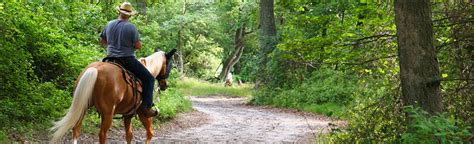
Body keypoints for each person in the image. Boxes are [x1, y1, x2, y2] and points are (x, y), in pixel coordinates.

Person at [100, 2, 157, 117]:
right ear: (130, 15)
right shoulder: (131, 27)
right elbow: (138, 45)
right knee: (149, 79)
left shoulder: (109, 24)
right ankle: (146, 108)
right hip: (127, 60)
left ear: (119, 11)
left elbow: (103, 41)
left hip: (109, 59)